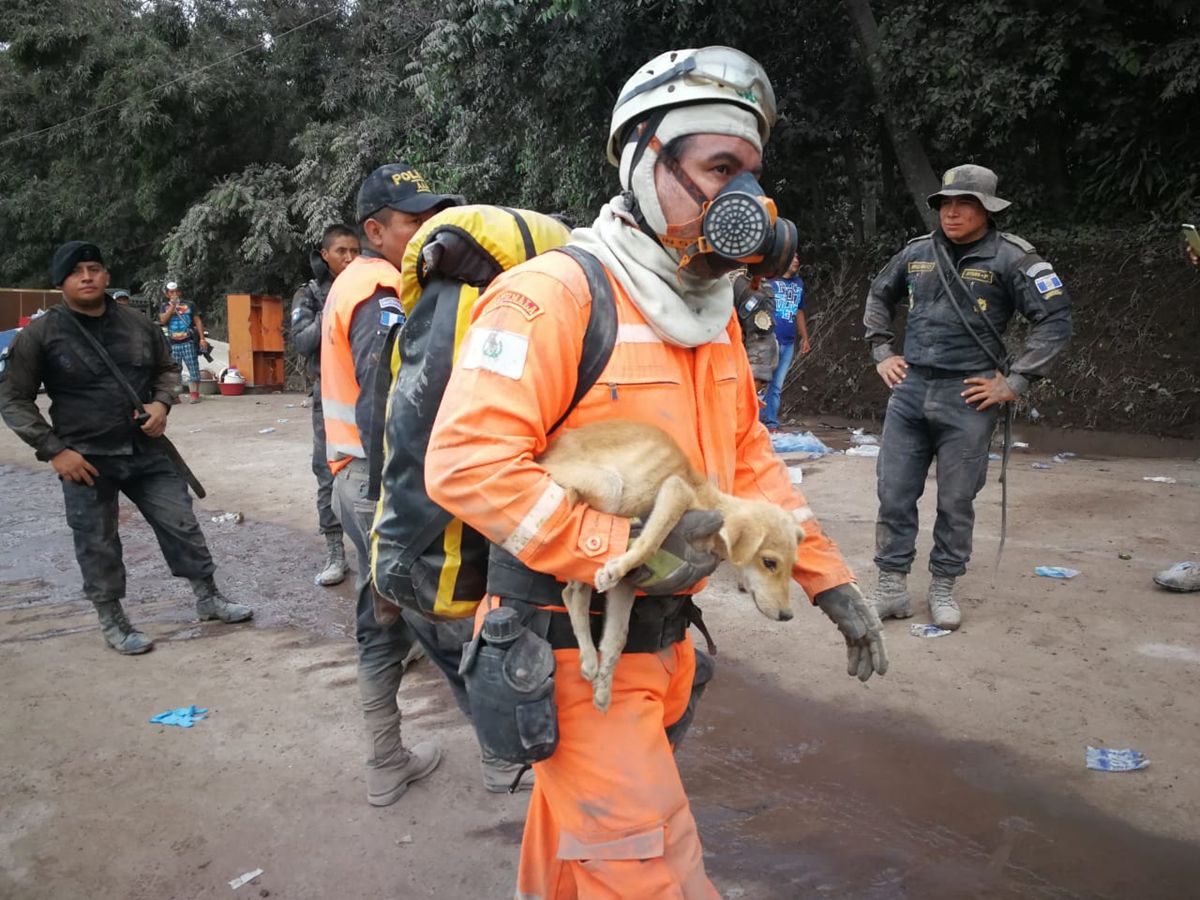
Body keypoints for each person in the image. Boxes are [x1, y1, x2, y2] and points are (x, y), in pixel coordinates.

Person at [424, 47, 887, 899]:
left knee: (593, 849)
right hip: (570, 652)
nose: (744, 202)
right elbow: (465, 465)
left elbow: (749, 465)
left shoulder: (710, 320)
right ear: (645, 159)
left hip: (663, 645)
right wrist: (624, 548)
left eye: (751, 175)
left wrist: (828, 581)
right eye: (719, 170)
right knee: (644, 869)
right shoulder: (551, 296)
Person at [0, 242, 252, 655]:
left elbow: (167, 368)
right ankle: (112, 619)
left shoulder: (137, 324)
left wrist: (160, 403)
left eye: (94, 268)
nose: (86, 277)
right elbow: (13, 398)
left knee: (181, 523)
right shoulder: (40, 335)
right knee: (97, 539)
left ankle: (208, 598)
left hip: (146, 449)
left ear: (106, 276)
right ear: (59, 281)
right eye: (76, 271)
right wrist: (53, 451)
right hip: (84, 456)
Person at [863, 164, 1073, 630]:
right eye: (946, 204)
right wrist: (882, 350)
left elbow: (1055, 321)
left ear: (987, 210)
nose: (952, 212)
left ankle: (943, 586)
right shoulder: (916, 252)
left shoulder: (1014, 259)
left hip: (970, 396)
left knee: (956, 500)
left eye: (965, 204)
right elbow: (879, 294)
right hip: (911, 388)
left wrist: (1014, 382)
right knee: (894, 493)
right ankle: (892, 586)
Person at [320, 163, 462, 807]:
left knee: (384, 625)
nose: (431, 231)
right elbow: (383, 399)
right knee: (450, 614)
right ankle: (505, 755)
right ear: (375, 230)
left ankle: (385, 762)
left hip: (358, 480)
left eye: (435, 217)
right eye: (415, 222)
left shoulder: (361, 280)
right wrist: (396, 509)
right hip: (384, 487)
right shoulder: (382, 289)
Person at [291, 224, 360, 587]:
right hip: (331, 396)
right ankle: (335, 552)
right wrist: (333, 307)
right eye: (341, 252)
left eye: (354, 251)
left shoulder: (372, 285)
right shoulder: (312, 294)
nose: (349, 259)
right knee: (327, 471)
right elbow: (302, 342)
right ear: (325, 256)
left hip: (370, 391)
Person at [760, 252, 810, 430]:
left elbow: (799, 312)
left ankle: (772, 423)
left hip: (789, 343)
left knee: (777, 386)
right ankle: (755, 422)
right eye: (793, 257)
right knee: (761, 383)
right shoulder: (769, 280)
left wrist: (805, 338)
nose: (797, 260)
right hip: (769, 340)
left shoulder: (798, 284)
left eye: (798, 257)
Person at [158, 281, 208, 403]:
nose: (174, 294)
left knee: (193, 367)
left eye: (176, 291)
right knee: (174, 370)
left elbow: (198, 321)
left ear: (179, 292)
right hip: (173, 342)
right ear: (167, 294)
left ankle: (194, 394)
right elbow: (163, 320)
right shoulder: (164, 306)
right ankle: (175, 396)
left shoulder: (189, 305)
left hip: (188, 341)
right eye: (171, 292)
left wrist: (202, 339)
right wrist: (173, 306)